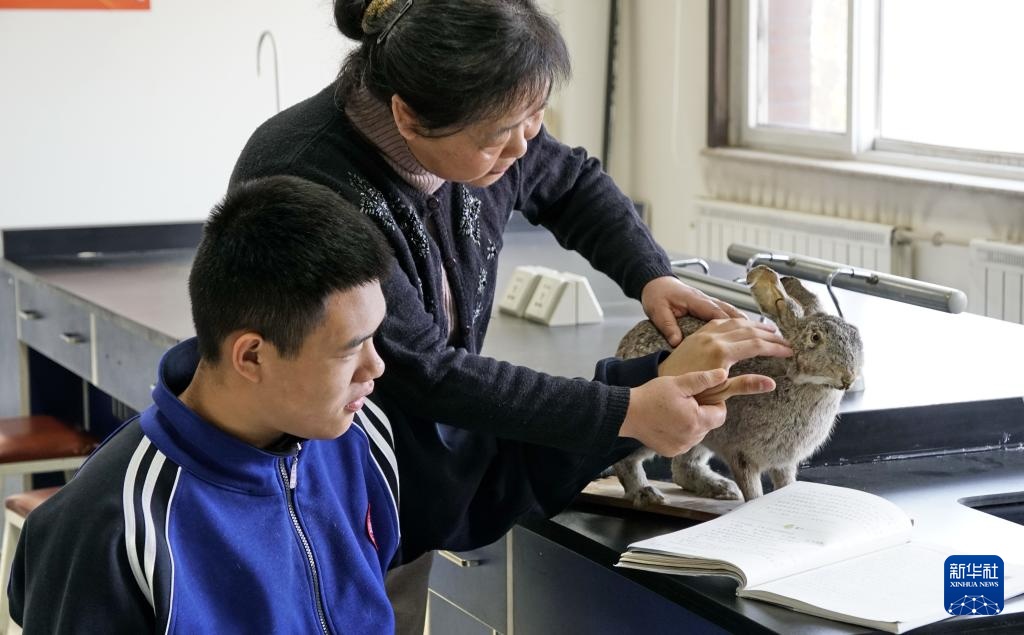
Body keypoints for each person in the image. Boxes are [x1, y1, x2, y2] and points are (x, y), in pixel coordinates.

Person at [230, 0, 791, 630]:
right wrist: (627, 409)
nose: (524, 145)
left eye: (537, 114)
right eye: (500, 134)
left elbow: (569, 183)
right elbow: (425, 374)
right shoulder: (311, 183)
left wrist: (650, 273)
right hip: (314, 496)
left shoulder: (481, 124)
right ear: (407, 116)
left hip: (396, 482)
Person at [8, 176, 403, 633]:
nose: (375, 367)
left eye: (374, 337)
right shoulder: (114, 524)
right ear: (251, 356)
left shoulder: (359, 435)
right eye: (350, 349)